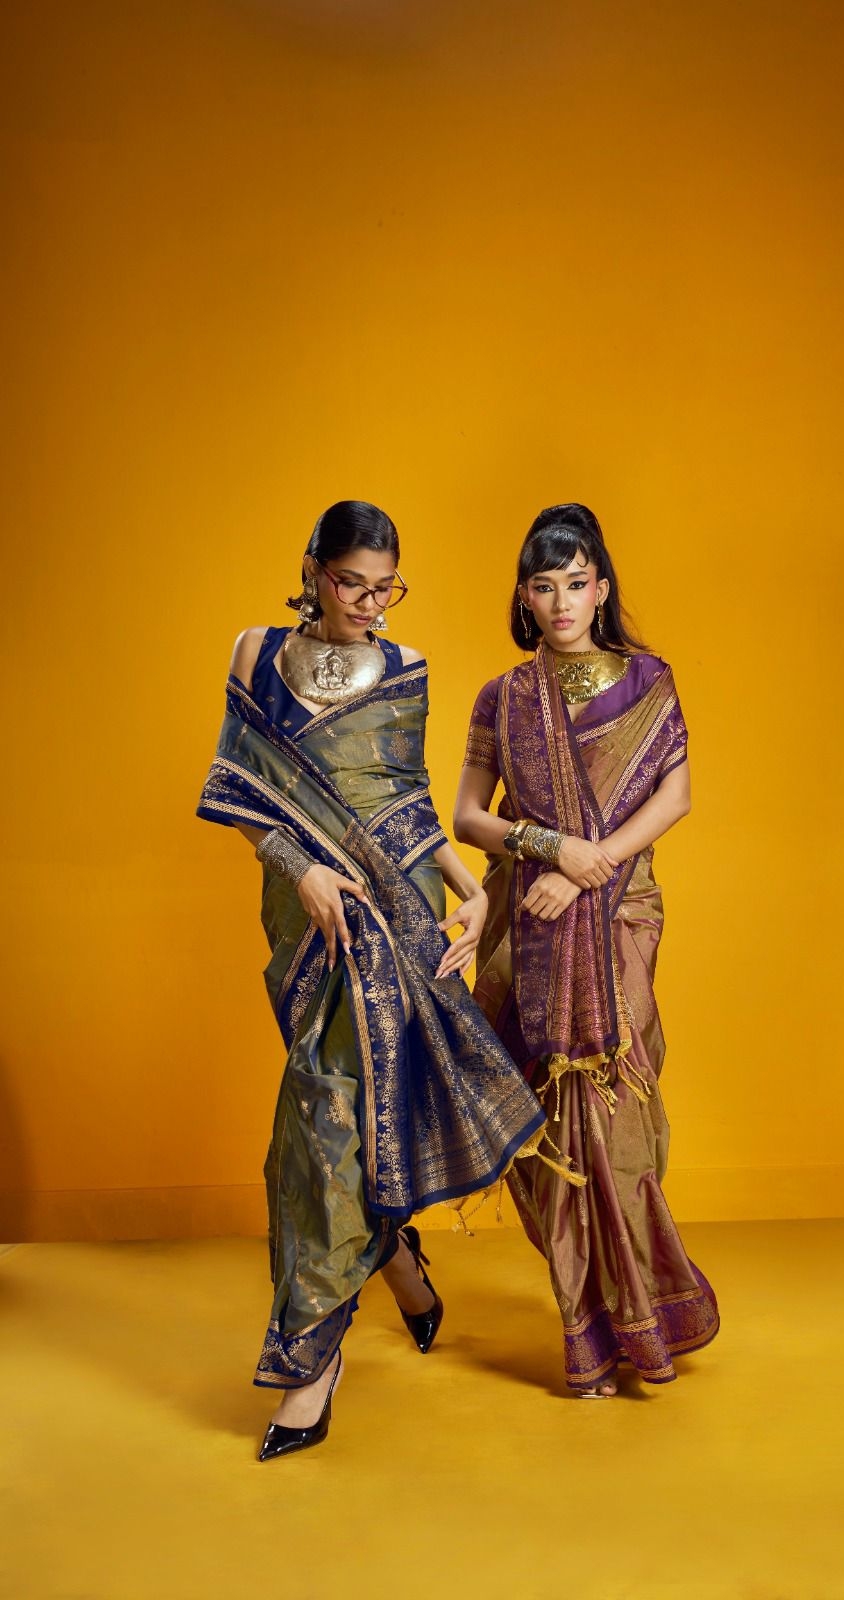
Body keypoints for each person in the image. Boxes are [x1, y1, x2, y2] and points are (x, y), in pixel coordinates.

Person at [198, 499, 551, 1459]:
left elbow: (409, 802)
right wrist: (299, 869)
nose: (369, 604)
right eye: (351, 583)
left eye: (386, 587)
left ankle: (311, 1369)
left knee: (327, 1115)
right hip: (306, 914)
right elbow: (238, 786)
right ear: (314, 570)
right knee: (334, 1102)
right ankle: (392, 1254)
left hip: (393, 914)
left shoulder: (406, 670)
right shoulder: (254, 653)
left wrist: (470, 893)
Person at [454, 503, 720, 1397]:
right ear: (524, 598)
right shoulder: (504, 698)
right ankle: (589, 1333)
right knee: (546, 1122)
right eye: (544, 586)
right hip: (529, 924)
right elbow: (468, 817)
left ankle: (642, 1312)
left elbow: (675, 799)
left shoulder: (648, 683)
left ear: (601, 588)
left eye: (576, 583)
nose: (562, 602)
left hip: (620, 917)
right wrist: (549, 848)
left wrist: (587, 868)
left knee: (617, 1114)